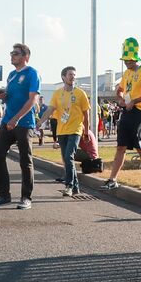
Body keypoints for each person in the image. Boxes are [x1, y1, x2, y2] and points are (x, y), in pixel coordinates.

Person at [0, 43, 40, 209]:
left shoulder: (32, 73)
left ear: (26, 56)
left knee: (25, 160)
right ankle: (4, 194)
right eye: (11, 53)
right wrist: (4, 96)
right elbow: (13, 96)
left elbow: (32, 100)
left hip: (23, 123)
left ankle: (26, 197)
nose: (12, 56)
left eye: (16, 53)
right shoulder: (11, 75)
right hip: (7, 121)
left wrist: (17, 119)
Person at [100, 39, 141, 190]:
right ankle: (112, 179)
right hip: (126, 113)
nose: (127, 63)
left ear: (135, 58)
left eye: (129, 60)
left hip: (140, 113)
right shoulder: (126, 73)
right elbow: (119, 90)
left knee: (140, 147)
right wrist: (120, 100)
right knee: (120, 146)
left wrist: (135, 101)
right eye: (125, 60)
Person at [50, 64, 92, 196]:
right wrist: (41, 122)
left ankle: (68, 185)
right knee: (67, 159)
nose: (73, 77)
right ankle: (75, 187)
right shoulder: (57, 94)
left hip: (76, 129)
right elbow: (52, 112)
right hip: (62, 130)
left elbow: (86, 114)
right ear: (63, 77)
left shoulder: (80, 93)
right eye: (70, 75)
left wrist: (86, 131)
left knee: (69, 156)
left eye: (74, 75)